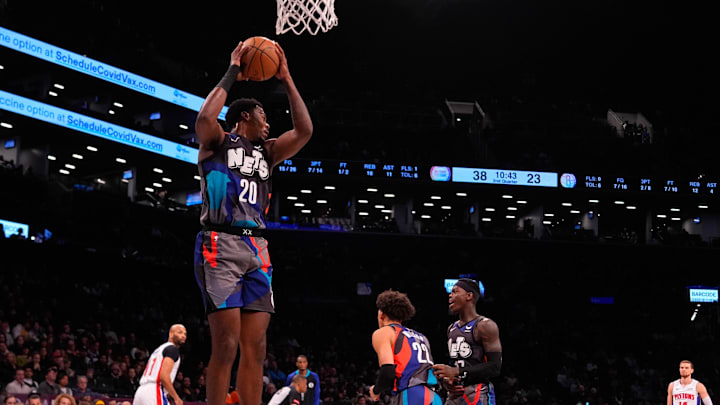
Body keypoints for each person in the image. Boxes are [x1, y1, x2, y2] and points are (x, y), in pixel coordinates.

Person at [193, 38, 312, 405]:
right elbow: (203, 118)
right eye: (263, 115)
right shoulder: (217, 141)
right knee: (226, 345)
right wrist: (233, 71)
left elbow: (305, 131)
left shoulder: (269, 151)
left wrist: (287, 77)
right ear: (245, 116)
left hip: (257, 248)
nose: (268, 122)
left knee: (256, 347)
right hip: (220, 243)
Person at [432, 279, 502, 405]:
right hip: (455, 394)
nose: (450, 295)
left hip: (478, 391)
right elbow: (455, 364)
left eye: (455, 291)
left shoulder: (485, 325)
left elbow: (495, 367)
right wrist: (447, 382)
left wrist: (457, 372)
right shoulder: (451, 328)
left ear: (469, 296)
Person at [369, 290, 441, 405]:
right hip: (434, 397)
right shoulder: (422, 337)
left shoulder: (384, 332)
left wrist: (376, 390)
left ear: (381, 313)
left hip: (411, 395)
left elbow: (388, 371)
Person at [132, 324, 187, 405]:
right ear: (171, 334)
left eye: (185, 334)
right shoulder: (173, 349)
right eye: (179, 332)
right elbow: (163, 376)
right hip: (154, 391)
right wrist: (176, 398)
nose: (183, 335)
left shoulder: (159, 349)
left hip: (141, 391)